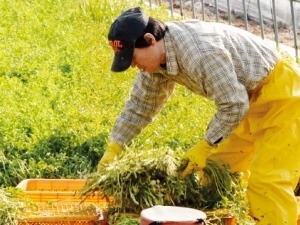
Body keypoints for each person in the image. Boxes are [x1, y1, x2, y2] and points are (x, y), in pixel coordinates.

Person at [98, 6, 300, 224]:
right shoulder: (157, 61)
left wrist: (205, 145)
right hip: (247, 97)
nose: (134, 65)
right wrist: (115, 146)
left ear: (150, 39)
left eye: (134, 58)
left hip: (281, 94)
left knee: (268, 181)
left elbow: (233, 105)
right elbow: (140, 106)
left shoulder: (201, 52)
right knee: (217, 170)